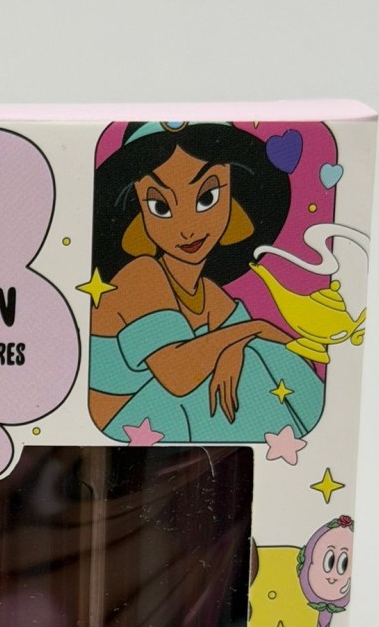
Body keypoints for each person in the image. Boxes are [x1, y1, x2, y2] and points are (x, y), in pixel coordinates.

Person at [88, 121, 325, 442]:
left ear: (232, 198)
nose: (187, 228)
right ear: (139, 212)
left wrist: (237, 343)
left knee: (256, 357)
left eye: (207, 197)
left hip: (166, 417)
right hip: (124, 429)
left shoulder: (208, 293)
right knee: (247, 367)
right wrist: (250, 330)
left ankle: (312, 444)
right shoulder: (141, 275)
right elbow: (178, 377)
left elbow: (278, 346)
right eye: (161, 206)